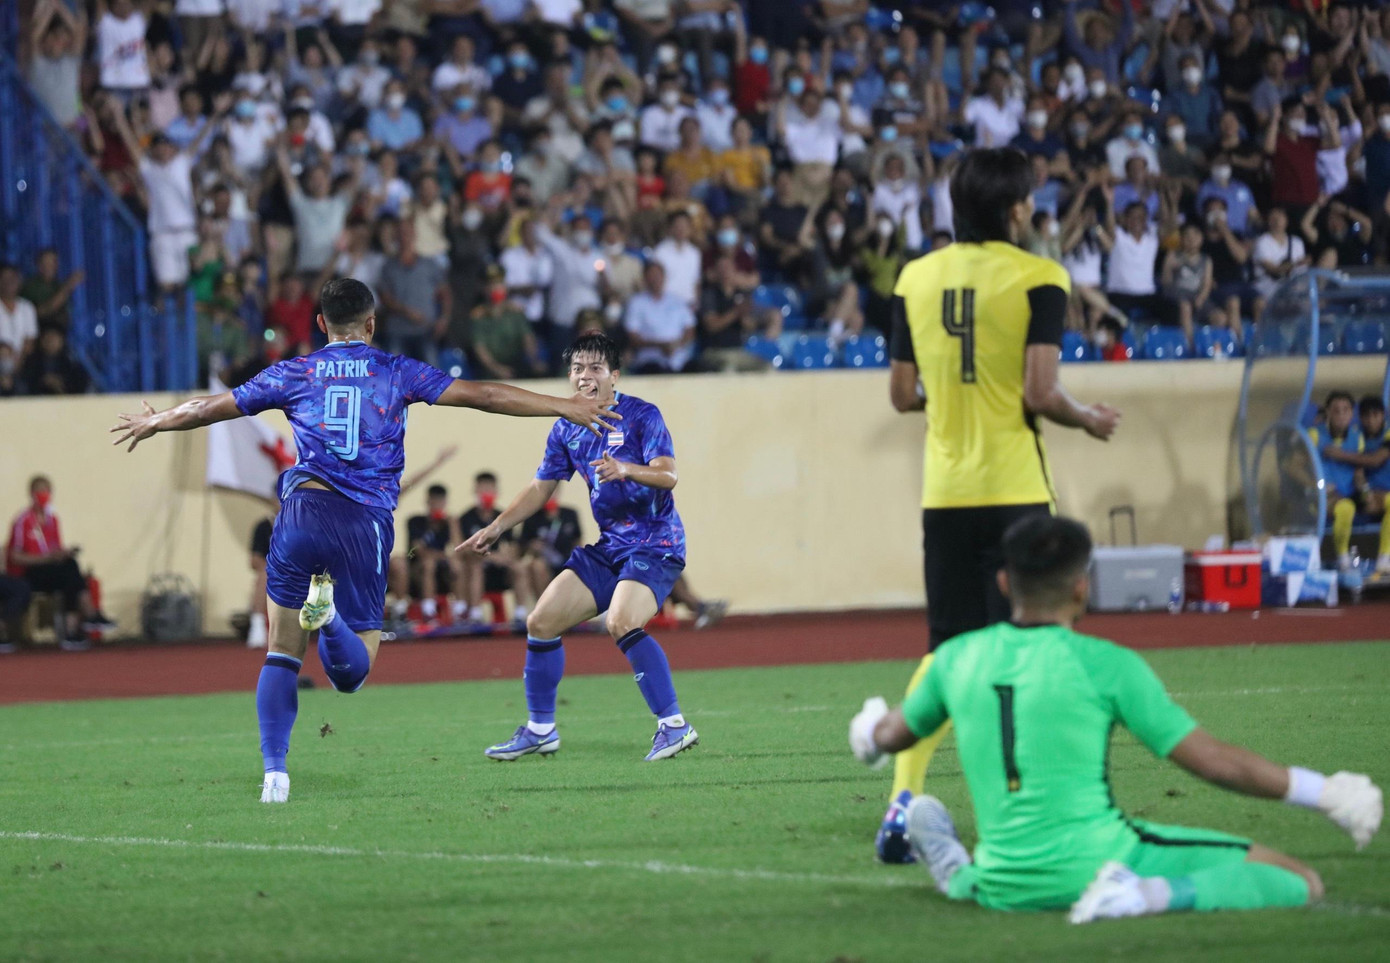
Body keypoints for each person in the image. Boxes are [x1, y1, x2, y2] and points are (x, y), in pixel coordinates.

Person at [109, 278, 619, 803]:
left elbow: (211, 407)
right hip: (364, 522)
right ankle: (328, 617)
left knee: (281, 652)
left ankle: (275, 776)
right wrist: (563, 406)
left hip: (301, 513)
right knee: (352, 674)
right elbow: (484, 395)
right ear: (372, 324)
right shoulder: (395, 370)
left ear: (321, 324)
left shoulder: (296, 371)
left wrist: (157, 422)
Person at [849, 514, 1382, 919]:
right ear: (1082, 586)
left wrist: (868, 729)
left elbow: (888, 737)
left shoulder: (954, 658)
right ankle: (1141, 895)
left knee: (940, 822)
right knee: (1299, 881)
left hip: (1006, 881)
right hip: (1102, 860)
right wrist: (1325, 793)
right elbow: (1213, 762)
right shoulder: (1107, 665)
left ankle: (960, 875)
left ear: (1005, 583)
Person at [881, 147, 1121, 865]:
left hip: (946, 493)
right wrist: (1088, 419)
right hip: (1017, 490)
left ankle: (901, 801)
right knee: (1037, 649)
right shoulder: (1040, 276)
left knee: (945, 653)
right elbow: (1040, 392)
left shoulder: (915, 276)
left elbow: (900, 395)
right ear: (1016, 210)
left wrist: (951, 398)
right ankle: (1037, 798)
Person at [460, 331, 699, 763]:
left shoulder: (643, 416)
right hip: (611, 547)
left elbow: (669, 476)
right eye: (576, 369)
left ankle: (674, 725)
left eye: (594, 368)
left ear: (614, 376)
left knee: (622, 621)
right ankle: (540, 730)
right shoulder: (566, 427)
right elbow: (541, 488)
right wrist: (497, 526)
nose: (583, 377)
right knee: (541, 620)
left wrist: (626, 468)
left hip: (655, 542)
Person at [5, 475, 115, 650]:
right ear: (32, 494)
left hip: (50, 572)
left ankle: (75, 630)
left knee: (69, 569)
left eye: (46, 491)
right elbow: (15, 556)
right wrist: (47, 558)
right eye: (40, 491)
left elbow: (55, 550)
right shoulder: (23, 521)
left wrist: (63, 554)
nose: (43, 495)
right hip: (28, 572)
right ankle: (88, 616)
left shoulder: (52, 520)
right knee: (69, 570)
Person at [458, 472, 534, 626]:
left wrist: (506, 557)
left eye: (489, 488)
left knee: (520, 567)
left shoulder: (503, 517)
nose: (486, 493)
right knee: (475, 567)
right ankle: (475, 615)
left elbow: (513, 547)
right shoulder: (465, 518)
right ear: (475, 491)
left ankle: (520, 614)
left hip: (501, 569)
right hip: (477, 566)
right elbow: (463, 549)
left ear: (496, 491)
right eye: (482, 489)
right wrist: (490, 556)